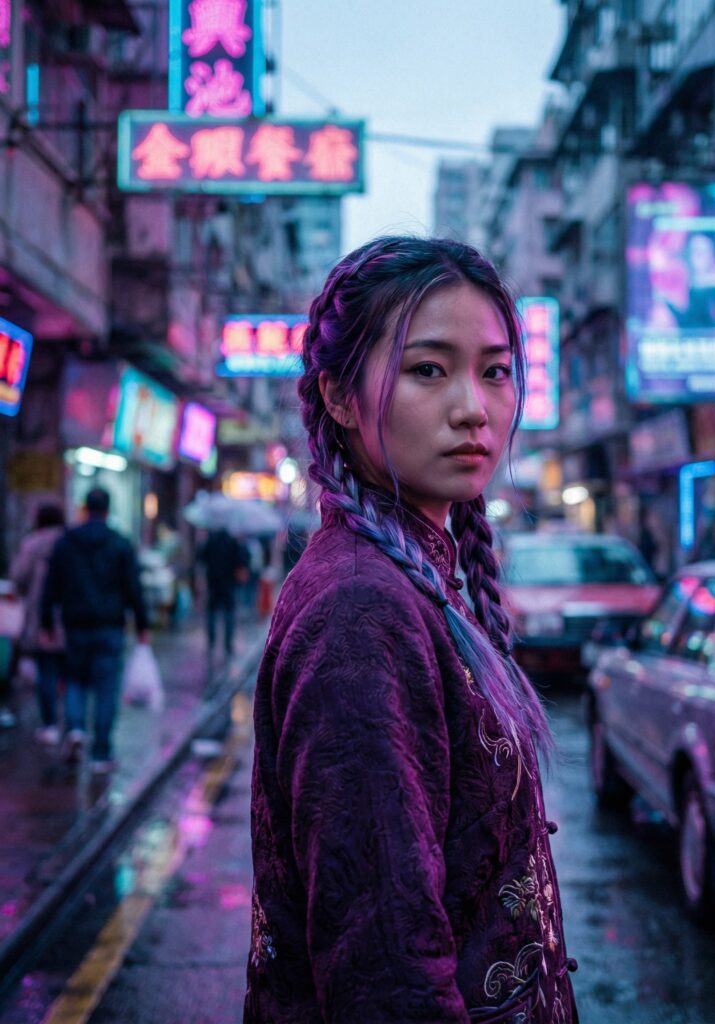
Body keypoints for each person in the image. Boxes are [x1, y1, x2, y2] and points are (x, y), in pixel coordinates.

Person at [244, 237, 578, 1023]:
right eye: (428, 369)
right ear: (337, 394)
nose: (474, 407)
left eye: (494, 371)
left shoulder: (408, 576)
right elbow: (386, 972)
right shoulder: (360, 610)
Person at [41, 487, 148, 772]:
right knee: (105, 688)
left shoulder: (66, 542)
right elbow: (133, 588)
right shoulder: (119, 543)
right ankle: (101, 753)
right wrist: (142, 625)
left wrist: (46, 622)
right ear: (108, 509)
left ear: (86, 508)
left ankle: (75, 729)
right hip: (109, 627)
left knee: (74, 680)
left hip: (75, 625)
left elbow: (50, 585)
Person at [10, 503, 66, 744]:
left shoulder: (32, 544)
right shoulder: (69, 542)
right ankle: (73, 724)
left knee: (46, 670)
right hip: (70, 618)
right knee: (69, 672)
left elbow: (18, 578)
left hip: (40, 616)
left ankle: (50, 723)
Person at [198, 527, 246, 658]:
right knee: (228, 613)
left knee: (212, 612)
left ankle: (211, 641)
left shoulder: (210, 540)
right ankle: (228, 644)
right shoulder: (232, 541)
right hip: (228, 584)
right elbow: (240, 561)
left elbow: (202, 557)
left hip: (213, 583)